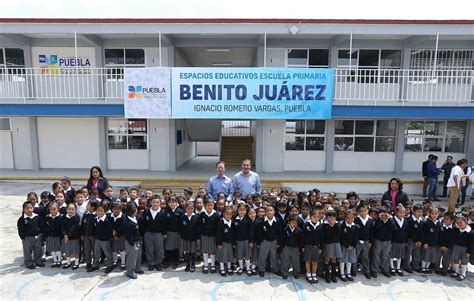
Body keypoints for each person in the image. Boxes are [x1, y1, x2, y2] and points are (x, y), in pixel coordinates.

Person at [143, 195, 167, 271]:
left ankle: (158, 263)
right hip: (148, 233)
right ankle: (151, 263)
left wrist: (164, 233)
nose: (155, 204)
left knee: (159, 249)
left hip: (158, 234)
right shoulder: (146, 211)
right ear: (150, 202)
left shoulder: (162, 213)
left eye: (157, 202)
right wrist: (144, 233)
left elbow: (164, 224)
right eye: (154, 202)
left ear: (160, 203)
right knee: (149, 249)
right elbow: (143, 223)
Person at [17, 201, 45, 269]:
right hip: (27, 238)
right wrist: (23, 237)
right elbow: (20, 229)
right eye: (27, 208)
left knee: (38, 249)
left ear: (33, 208)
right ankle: (29, 263)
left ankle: (38, 261)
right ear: (23, 209)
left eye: (31, 208)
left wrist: (41, 235)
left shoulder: (37, 217)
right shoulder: (22, 219)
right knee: (27, 251)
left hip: (37, 236)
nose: (29, 209)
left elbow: (41, 226)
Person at [88, 205, 114, 274]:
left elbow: (109, 231)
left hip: (105, 240)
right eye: (98, 211)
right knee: (96, 253)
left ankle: (110, 265)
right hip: (97, 239)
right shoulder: (95, 219)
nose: (99, 212)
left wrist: (108, 238)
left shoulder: (106, 221)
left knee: (107, 253)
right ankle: (95, 265)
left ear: (104, 212)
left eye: (101, 211)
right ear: (96, 212)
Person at [256, 206, 282, 277]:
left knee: (274, 256)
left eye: (271, 210)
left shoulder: (277, 220)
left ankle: (275, 269)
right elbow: (260, 233)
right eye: (267, 210)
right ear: (265, 212)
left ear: (274, 212)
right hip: (265, 241)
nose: (269, 211)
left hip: (274, 241)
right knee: (263, 256)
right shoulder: (262, 222)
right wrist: (260, 241)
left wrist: (278, 242)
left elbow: (279, 232)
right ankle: (261, 269)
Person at [370, 207, 394, 278]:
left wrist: (388, 219)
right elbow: (376, 228)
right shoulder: (377, 221)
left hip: (387, 241)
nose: (384, 216)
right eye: (382, 214)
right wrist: (380, 220)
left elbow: (393, 228)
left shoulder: (391, 221)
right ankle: (374, 270)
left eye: (386, 214)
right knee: (376, 255)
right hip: (378, 241)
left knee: (385, 256)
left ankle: (385, 269)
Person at [123, 203, 145, 279]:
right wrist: (131, 242)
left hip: (137, 240)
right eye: (135, 210)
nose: (136, 211)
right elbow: (128, 234)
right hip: (131, 242)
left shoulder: (135, 219)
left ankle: (137, 268)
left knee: (138, 255)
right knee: (131, 257)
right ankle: (130, 271)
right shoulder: (128, 222)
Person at [450, 215, 474, 281]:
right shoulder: (456, 230)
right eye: (457, 223)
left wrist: (469, 252)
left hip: (465, 249)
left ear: (466, 222)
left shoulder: (471, 232)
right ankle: (456, 271)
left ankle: (463, 274)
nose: (459, 224)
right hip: (456, 247)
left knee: (464, 261)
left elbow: (472, 243)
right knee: (456, 259)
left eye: (461, 222)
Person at [198, 199, 219, 274]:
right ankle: (206, 265)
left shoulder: (216, 215)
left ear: (213, 205)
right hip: (204, 236)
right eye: (208, 205)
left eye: (211, 205)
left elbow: (218, 227)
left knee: (213, 251)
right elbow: (199, 226)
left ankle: (213, 265)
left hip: (213, 236)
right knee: (205, 250)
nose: (209, 207)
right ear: (205, 205)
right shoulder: (202, 214)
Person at [302, 208, 322, 284]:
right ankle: (308, 274)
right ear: (311, 216)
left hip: (316, 247)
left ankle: (314, 274)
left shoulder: (320, 225)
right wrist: (303, 247)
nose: (316, 218)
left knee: (315, 262)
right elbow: (303, 237)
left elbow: (322, 238)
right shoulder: (306, 224)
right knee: (308, 261)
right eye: (314, 217)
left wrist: (321, 248)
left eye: (318, 217)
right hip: (308, 246)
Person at [163, 196, 184, 269]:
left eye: (174, 202)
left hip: (177, 233)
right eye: (170, 202)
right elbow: (164, 223)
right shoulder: (165, 211)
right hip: (168, 233)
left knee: (176, 247)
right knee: (168, 247)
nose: (172, 204)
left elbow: (182, 223)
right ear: (168, 203)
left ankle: (175, 261)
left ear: (176, 203)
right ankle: (167, 261)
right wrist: (164, 233)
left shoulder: (180, 211)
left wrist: (181, 233)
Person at [179, 201, 200, 273]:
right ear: (185, 208)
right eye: (188, 208)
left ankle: (193, 265)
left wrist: (198, 238)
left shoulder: (196, 217)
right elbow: (181, 228)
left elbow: (198, 229)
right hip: (186, 238)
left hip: (193, 238)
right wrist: (182, 236)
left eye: (191, 208)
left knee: (193, 252)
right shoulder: (183, 217)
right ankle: (188, 264)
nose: (190, 210)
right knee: (187, 252)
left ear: (194, 208)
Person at [280, 214, 302, 280]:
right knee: (285, 260)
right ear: (289, 222)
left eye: (296, 223)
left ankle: (296, 273)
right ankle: (284, 273)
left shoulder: (299, 230)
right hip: (286, 247)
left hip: (295, 248)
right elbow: (282, 239)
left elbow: (300, 241)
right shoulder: (285, 229)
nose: (294, 224)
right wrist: (281, 248)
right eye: (293, 223)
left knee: (296, 261)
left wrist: (300, 250)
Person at [339, 210, 359, 282]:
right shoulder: (342, 226)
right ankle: (342, 273)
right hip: (344, 246)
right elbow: (342, 237)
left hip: (352, 247)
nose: (350, 220)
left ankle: (348, 273)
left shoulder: (356, 227)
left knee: (349, 259)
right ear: (345, 218)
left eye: (352, 218)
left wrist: (353, 246)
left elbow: (356, 238)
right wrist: (347, 245)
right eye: (348, 218)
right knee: (343, 259)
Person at [354, 204, 374, 279]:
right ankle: (354, 270)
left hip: (366, 242)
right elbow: (355, 232)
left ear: (367, 211)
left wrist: (370, 242)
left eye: (365, 211)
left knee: (365, 256)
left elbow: (372, 232)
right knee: (355, 256)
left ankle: (366, 270)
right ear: (358, 212)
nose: (363, 212)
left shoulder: (370, 220)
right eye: (361, 211)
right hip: (358, 242)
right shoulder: (356, 220)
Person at [322, 210, 342, 283]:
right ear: (327, 217)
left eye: (333, 217)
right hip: (328, 244)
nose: (331, 218)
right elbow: (326, 235)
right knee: (327, 259)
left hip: (336, 243)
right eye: (329, 216)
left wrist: (334, 225)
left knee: (334, 259)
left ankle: (333, 275)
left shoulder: (337, 224)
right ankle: (327, 275)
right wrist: (330, 226)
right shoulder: (325, 225)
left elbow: (339, 233)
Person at [233, 204, 252, 276]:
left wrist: (251, 241)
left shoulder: (248, 220)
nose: (242, 211)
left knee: (247, 256)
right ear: (237, 210)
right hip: (238, 241)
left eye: (244, 210)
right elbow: (233, 232)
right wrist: (234, 242)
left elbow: (250, 232)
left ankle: (248, 268)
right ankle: (240, 268)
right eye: (240, 210)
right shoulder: (235, 220)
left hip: (246, 241)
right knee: (239, 255)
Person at [216, 207, 235, 277]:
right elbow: (219, 234)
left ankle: (229, 268)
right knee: (222, 256)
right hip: (223, 243)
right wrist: (219, 243)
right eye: (227, 214)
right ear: (223, 214)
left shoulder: (232, 222)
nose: (229, 215)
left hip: (230, 243)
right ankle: (222, 269)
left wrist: (233, 243)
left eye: (230, 214)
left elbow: (234, 234)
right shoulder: (221, 223)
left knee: (229, 256)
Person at [61, 203, 81, 270]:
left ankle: (76, 263)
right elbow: (62, 227)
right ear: (66, 210)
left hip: (74, 237)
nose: (71, 210)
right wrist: (65, 235)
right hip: (66, 237)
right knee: (67, 251)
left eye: (73, 209)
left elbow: (73, 227)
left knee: (76, 251)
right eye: (69, 209)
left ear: (75, 210)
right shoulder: (64, 217)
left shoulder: (77, 217)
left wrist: (68, 235)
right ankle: (68, 262)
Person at [390, 205, 408, 276]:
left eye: (403, 213)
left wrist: (405, 241)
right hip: (394, 241)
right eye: (400, 213)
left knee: (399, 255)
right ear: (396, 212)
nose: (402, 214)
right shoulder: (392, 220)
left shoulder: (405, 221)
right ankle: (392, 267)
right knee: (392, 255)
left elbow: (407, 232)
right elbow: (391, 232)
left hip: (402, 241)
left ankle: (398, 268)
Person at [44, 202, 63, 268]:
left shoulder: (61, 217)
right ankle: (55, 261)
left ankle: (59, 261)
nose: (52, 211)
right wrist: (46, 236)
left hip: (58, 236)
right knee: (53, 249)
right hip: (50, 236)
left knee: (58, 249)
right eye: (51, 210)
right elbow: (46, 227)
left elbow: (62, 227)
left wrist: (62, 236)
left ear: (58, 209)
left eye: (54, 209)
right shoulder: (48, 217)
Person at [421, 208, 439, 274]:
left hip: (434, 243)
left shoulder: (438, 223)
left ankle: (427, 267)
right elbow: (424, 233)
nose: (434, 215)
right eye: (432, 214)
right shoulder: (427, 222)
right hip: (427, 243)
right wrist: (425, 242)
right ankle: (423, 267)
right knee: (425, 255)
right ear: (429, 214)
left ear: (438, 214)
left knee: (431, 256)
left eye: (436, 214)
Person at [81, 200, 98, 270]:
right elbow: (82, 225)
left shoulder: (96, 215)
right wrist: (82, 234)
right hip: (86, 235)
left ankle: (95, 263)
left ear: (93, 207)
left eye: (88, 204)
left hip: (94, 236)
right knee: (87, 249)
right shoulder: (85, 214)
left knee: (95, 250)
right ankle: (88, 263)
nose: (87, 206)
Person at [110, 202, 127, 270]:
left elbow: (122, 227)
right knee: (114, 248)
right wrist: (112, 232)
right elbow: (109, 225)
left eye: (118, 209)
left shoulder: (123, 216)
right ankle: (114, 261)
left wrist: (117, 234)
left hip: (121, 235)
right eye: (114, 209)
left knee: (121, 248)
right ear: (112, 209)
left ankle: (123, 262)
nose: (116, 210)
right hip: (112, 235)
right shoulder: (110, 216)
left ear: (121, 209)